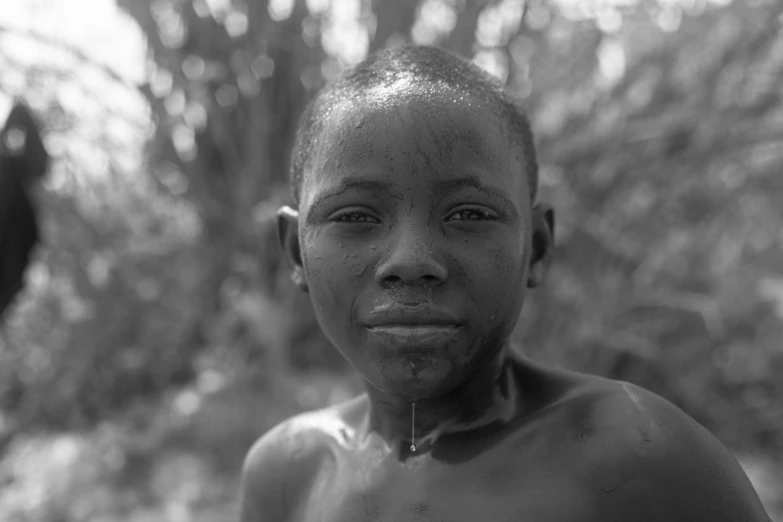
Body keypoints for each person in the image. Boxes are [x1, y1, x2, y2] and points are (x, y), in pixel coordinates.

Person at [239, 45, 771, 521]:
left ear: (536, 246)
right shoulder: (287, 473)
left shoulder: (643, 456)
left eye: (468, 214)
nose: (410, 260)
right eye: (355, 217)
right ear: (295, 252)